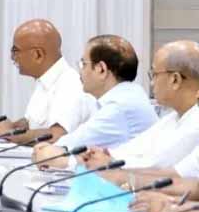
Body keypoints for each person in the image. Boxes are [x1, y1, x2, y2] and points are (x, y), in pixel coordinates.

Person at [74, 41, 199, 170]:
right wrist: (105, 154)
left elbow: (156, 165)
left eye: (154, 75)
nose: (151, 83)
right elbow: (137, 147)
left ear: (175, 80)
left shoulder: (195, 123)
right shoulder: (173, 117)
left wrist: (108, 161)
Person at [32, 34, 156, 163]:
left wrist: (47, 150)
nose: (80, 71)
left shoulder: (119, 107)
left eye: (83, 64)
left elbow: (62, 148)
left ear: (101, 69)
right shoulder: (130, 94)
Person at [0, 19, 96, 142]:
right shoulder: (45, 80)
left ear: (38, 55)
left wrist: (9, 134)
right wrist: (12, 125)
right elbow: (33, 123)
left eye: (15, 51)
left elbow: (56, 136)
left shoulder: (70, 84)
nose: (12, 57)